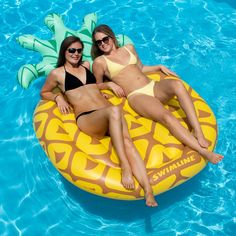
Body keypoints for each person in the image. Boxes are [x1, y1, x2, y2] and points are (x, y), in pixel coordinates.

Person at [40, 36, 157, 207]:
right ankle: (125, 167)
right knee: (114, 110)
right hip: (88, 118)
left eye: (79, 50)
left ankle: (148, 192)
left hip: (109, 113)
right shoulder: (57, 74)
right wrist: (58, 97)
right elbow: (44, 92)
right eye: (71, 50)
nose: (76, 54)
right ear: (64, 52)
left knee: (128, 142)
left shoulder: (86, 66)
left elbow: (98, 84)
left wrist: (109, 86)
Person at [91, 25, 224, 164]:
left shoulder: (129, 48)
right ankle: (204, 151)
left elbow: (141, 68)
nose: (102, 44)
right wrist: (110, 84)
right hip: (137, 96)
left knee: (177, 85)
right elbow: (97, 84)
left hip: (152, 85)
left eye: (105, 39)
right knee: (166, 116)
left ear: (112, 37)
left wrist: (159, 66)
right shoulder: (100, 62)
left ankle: (197, 131)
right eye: (98, 42)